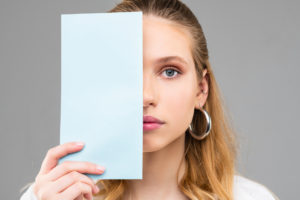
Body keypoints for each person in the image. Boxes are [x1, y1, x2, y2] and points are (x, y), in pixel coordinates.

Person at [20, 0, 280, 199]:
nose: (145, 96)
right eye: (125, 72)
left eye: (170, 72)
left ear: (201, 89)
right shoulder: (50, 196)